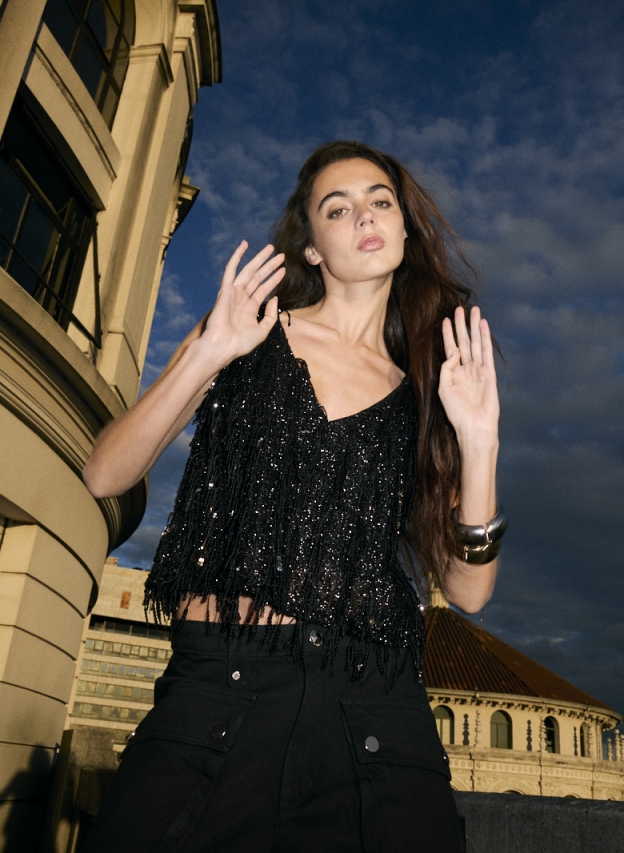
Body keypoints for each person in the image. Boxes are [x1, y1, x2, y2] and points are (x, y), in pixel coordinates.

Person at [81, 141, 503, 853]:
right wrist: (210, 350)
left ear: (403, 230)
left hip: (375, 709)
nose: (364, 216)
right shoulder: (246, 329)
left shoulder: (429, 390)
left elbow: (469, 590)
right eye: (337, 209)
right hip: (224, 690)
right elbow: (105, 474)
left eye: (380, 201)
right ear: (311, 247)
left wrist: (481, 440)